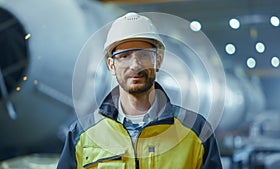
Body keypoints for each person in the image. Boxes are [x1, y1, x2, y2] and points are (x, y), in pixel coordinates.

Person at [57, 12, 222, 169]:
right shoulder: (82, 134)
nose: (135, 65)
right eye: (124, 56)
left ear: (158, 60)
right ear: (111, 65)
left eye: (144, 55)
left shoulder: (196, 132)